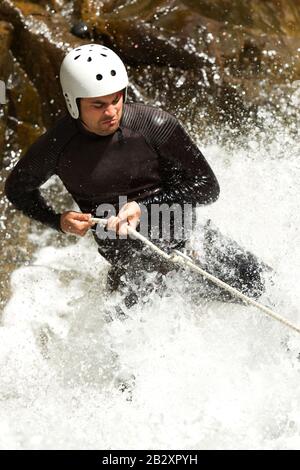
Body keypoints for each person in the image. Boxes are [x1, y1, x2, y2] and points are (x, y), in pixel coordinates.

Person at [4, 44, 266, 308]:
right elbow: (17, 189)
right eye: (98, 105)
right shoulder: (56, 147)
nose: (110, 112)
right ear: (73, 102)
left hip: (190, 247)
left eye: (116, 99)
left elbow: (208, 187)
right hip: (132, 274)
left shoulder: (155, 126)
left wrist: (143, 208)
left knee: (270, 291)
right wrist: (56, 221)